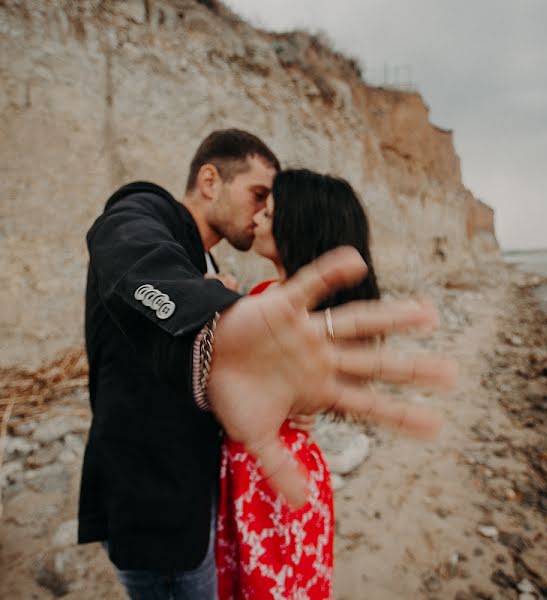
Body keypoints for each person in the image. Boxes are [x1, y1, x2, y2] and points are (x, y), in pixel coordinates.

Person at [80, 129, 453, 600]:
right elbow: (129, 255)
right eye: (259, 195)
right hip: (158, 500)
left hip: (210, 493)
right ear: (210, 180)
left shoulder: (208, 267)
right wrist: (210, 320)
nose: (261, 212)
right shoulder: (141, 213)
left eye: (270, 205)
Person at [216, 169, 380, 599]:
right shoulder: (271, 295)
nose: (255, 220)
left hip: (264, 473)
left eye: (268, 213)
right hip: (273, 460)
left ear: (299, 226)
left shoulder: (282, 307)